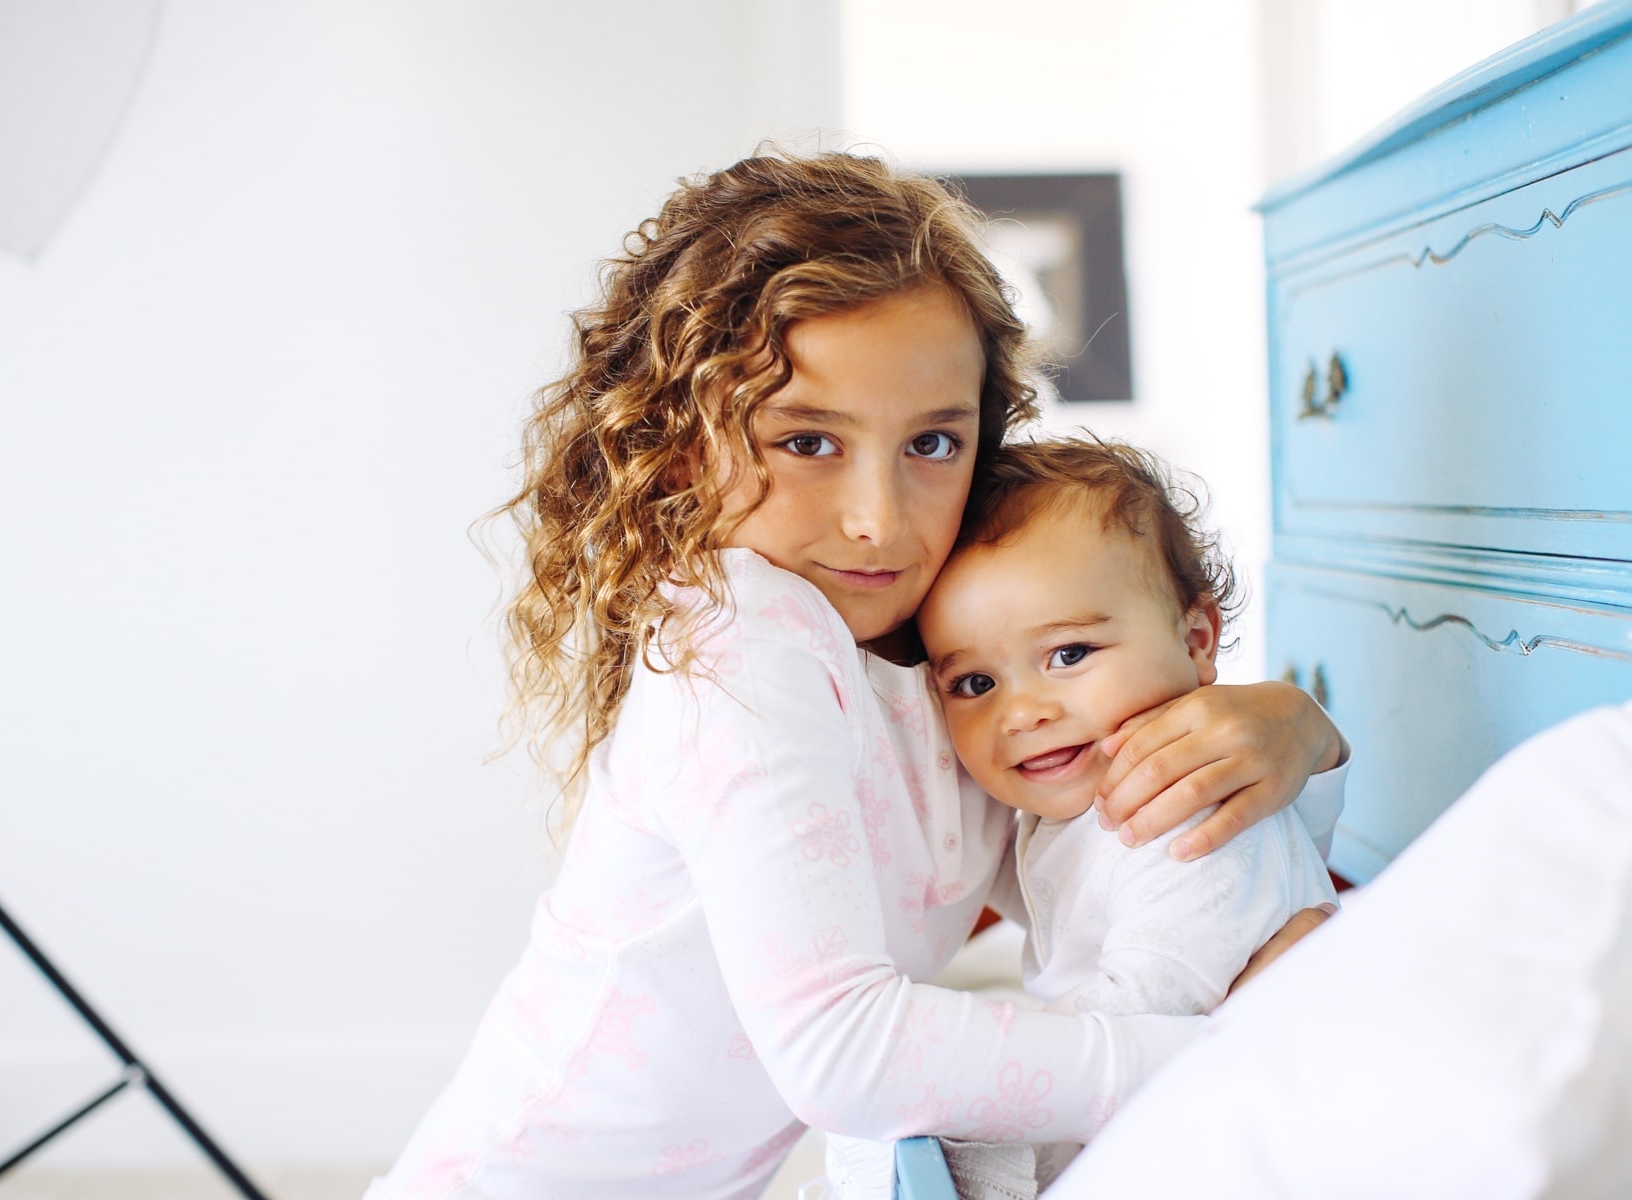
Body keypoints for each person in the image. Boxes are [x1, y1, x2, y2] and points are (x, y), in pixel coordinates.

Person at [366, 151, 1346, 1200]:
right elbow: (842, 1051)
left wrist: (1297, 733)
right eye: (807, 441)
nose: (879, 517)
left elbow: (1119, 852)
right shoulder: (743, 638)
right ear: (683, 446)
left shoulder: (948, 674)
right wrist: (1231, 1056)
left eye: (931, 441)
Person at [821, 437, 1340, 1198]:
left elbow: (1150, 1009)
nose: (1024, 711)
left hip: (1250, 1137)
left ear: (1197, 640)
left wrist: (968, 1098)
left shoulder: (1182, 816)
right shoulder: (1070, 801)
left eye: (1068, 654)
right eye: (972, 682)